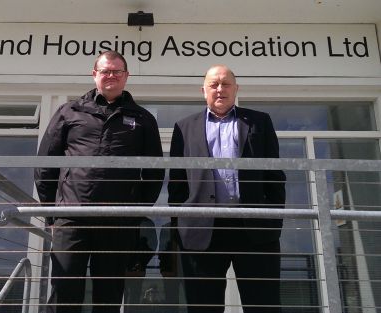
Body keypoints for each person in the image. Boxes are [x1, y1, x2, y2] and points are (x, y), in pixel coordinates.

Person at [35, 50, 164, 313]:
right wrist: (52, 213)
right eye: (105, 71)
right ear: (95, 74)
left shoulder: (142, 119)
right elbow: (46, 165)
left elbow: (154, 173)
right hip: (71, 218)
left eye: (117, 71)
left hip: (117, 222)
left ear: (126, 76)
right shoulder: (69, 111)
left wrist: (134, 214)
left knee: (109, 296)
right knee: (64, 292)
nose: (111, 76)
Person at [167, 64, 286, 313]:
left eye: (225, 84)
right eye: (214, 84)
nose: (220, 89)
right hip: (201, 232)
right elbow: (177, 182)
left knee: (263, 305)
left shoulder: (259, 121)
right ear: (203, 90)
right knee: (203, 307)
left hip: (254, 228)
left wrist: (273, 218)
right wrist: (180, 224)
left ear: (236, 88)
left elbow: (275, 175)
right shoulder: (184, 127)